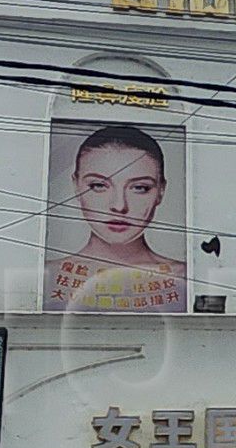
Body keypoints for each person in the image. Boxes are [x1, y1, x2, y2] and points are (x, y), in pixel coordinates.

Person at [46, 123, 186, 312]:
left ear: (161, 191)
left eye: (140, 188)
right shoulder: (45, 277)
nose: (119, 206)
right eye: (98, 186)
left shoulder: (187, 278)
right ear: (76, 186)